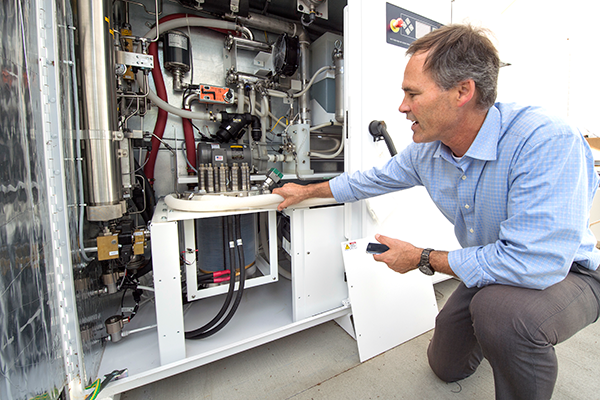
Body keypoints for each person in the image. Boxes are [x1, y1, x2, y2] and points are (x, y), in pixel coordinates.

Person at [273, 24, 600, 399]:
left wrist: (421, 258)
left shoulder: (543, 139)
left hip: (567, 274)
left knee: (502, 316)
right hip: (495, 270)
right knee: (446, 366)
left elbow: (534, 262)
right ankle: (503, 338)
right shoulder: (428, 152)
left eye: (412, 93)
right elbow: (368, 181)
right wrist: (307, 190)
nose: (402, 106)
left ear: (463, 91)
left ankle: (516, 349)